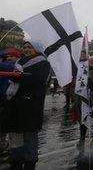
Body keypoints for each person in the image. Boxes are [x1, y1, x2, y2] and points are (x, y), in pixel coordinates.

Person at [1, 41, 51, 169]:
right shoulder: (19, 63)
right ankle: (16, 160)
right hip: (15, 105)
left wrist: (17, 77)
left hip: (31, 106)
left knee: (30, 137)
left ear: (37, 49)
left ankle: (30, 162)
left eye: (30, 47)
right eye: (25, 47)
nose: (27, 49)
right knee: (15, 136)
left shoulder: (43, 63)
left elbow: (38, 80)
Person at [0, 49, 22, 155]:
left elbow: (5, 67)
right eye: (7, 56)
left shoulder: (15, 67)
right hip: (4, 98)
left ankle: (5, 145)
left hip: (8, 100)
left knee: (5, 123)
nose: (8, 58)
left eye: (11, 56)